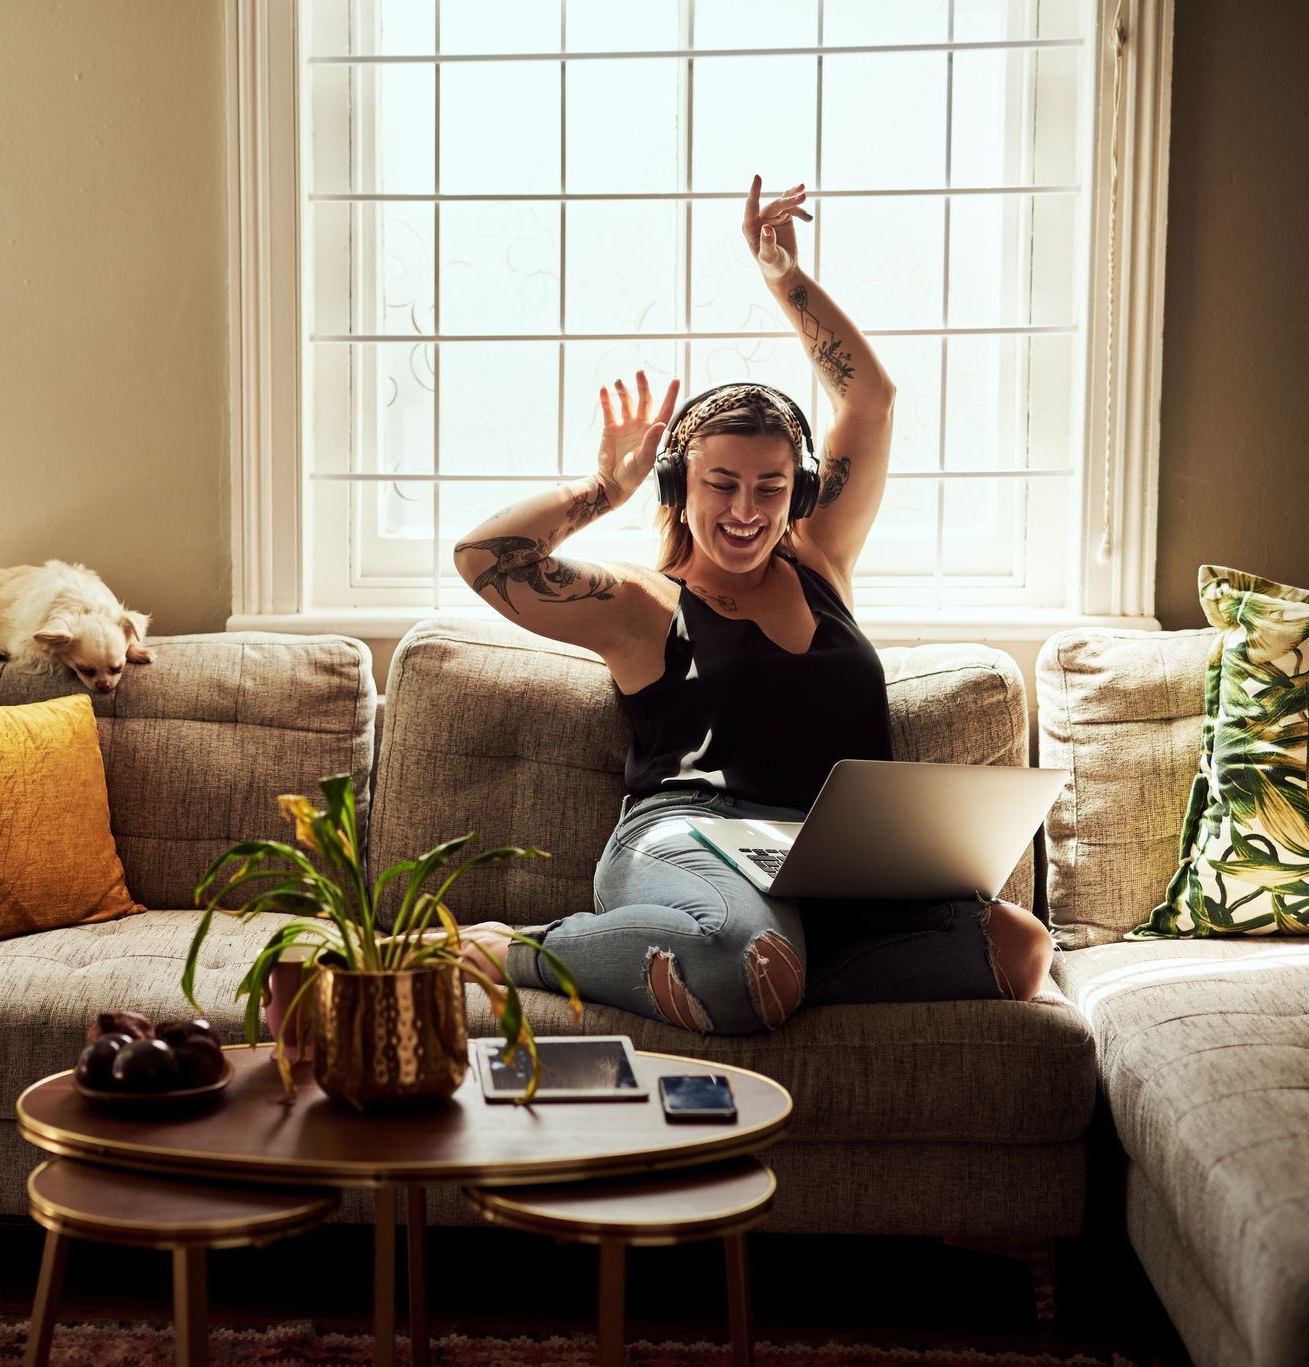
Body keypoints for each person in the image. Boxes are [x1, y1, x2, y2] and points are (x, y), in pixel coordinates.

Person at [448, 175, 1053, 1035]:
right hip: (689, 838)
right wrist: (598, 489)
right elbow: (485, 558)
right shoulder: (642, 604)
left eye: (770, 487)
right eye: (721, 484)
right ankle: (512, 950)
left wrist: (784, 279)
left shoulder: (821, 560)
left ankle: (778, 973)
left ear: (798, 490)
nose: (745, 510)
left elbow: (869, 401)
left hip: (822, 860)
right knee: (740, 962)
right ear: (678, 485)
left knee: (1019, 948)